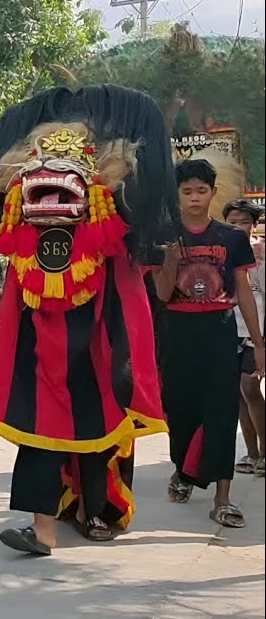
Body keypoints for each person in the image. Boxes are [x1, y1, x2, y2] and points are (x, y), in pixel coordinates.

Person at [0, 85, 174, 555]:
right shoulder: (22, 233)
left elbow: (141, 228)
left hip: (98, 340)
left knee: (96, 424)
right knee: (39, 429)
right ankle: (41, 526)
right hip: (39, 344)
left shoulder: (112, 230)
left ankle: (95, 511)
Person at [152, 159, 265, 528]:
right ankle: (183, 471)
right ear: (177, 194)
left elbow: (244, 292)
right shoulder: (163, 234)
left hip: (219, 331)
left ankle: (222, 498)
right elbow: (163, 293)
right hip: (177, 332)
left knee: (221, 413)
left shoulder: (230, 238)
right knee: (181, 412)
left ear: (214, 193)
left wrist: (259, 342)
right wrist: (169, 258)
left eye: (202, 191)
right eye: (188, 191)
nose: (195, 198)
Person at [224, 199, 266, 477]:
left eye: (244, 222)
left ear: (253, 225)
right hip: (228, 332)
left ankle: (264, 453)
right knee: (237, 395)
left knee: (249, 387)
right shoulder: (218, 253)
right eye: (233, 222)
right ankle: (251, 454)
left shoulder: (260, 257)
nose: (238, 228)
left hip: (256, 334)